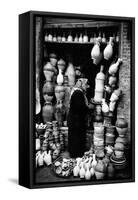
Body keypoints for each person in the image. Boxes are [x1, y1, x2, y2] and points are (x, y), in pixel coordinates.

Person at [67, 78, 93, 158]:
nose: (87, 86)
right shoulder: (78, 93)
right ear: (81, 84)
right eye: (85, 84)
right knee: (76, 137)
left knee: (75, 136)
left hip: (75, 119)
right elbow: (80, 107)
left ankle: (75, 153)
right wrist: (89, 107)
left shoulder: (78, 92)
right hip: (76, 120)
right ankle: (76, 154)